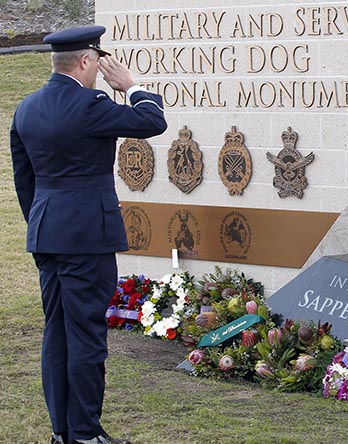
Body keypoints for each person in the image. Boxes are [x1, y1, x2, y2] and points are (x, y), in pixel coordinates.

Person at [9, 26, 167, 444]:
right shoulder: (90, 103)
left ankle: (63, 431)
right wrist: (132, 86)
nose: (100, 69)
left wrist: (44, 225)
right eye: (97, 61)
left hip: (47, 234)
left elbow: (24, 180)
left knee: (57, 332)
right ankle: (84, 433)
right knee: (86, 336)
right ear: (85, 62)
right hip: (86, 238)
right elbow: (153, 120)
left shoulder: (27, 107)